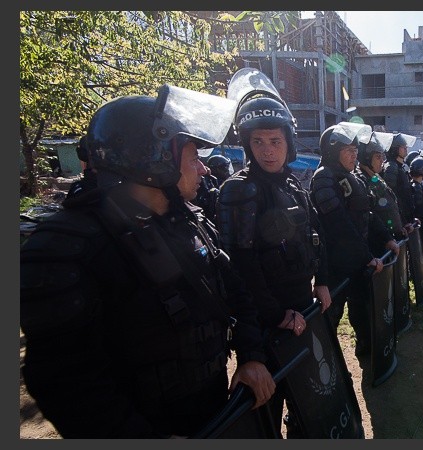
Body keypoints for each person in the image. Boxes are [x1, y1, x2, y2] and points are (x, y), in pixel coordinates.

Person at [19, 86, 276, 438]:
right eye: (192, 157)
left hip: (216, 412)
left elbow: (235, 290)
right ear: (155, 158)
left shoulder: (190, 220)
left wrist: (251, 355)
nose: (203, 169)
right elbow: (66, 382)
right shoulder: (68, 248)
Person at [215, 85, 332, 437]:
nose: (268, 151)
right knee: (268, 404)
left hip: (301, 306)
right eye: (259, 142)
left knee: (307, 391)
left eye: (275, 142)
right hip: (267, 321)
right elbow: (241, 268)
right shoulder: (239, 190)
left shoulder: (293, 185)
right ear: (247, 145)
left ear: (288, 143)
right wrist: (276, 315)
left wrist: (322, 279)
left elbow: (316, 234)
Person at [310, 122, 398, 357]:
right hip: (334, 267)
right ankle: (329, 371)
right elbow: (338, 224)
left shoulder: (352, 178)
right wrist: (367, 256)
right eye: (348, 149)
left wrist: (387, 239)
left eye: (355, 150)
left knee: (363, 310)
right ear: (332, 151)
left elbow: (367, 214)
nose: (354, 154)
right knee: (328, 322)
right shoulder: (323, 179)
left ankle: (367, 351)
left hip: (357, 263)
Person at [356, 130, 409, 242]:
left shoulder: (374, 178)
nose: (382, 161)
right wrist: (388, 237)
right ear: (366, 158)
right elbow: (373, 216)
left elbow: (390, 206)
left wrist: (400, 227)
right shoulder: (361, 181)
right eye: (378, 157)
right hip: (378, 243)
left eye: (382, 156)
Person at [382, 133, 417, 230]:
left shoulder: (399, 167)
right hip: (400, 221)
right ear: (394, 149)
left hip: (406, 218)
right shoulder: (391, 167)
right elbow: (391, 197)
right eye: (402, 146)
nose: (406, 148)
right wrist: (402, 222)